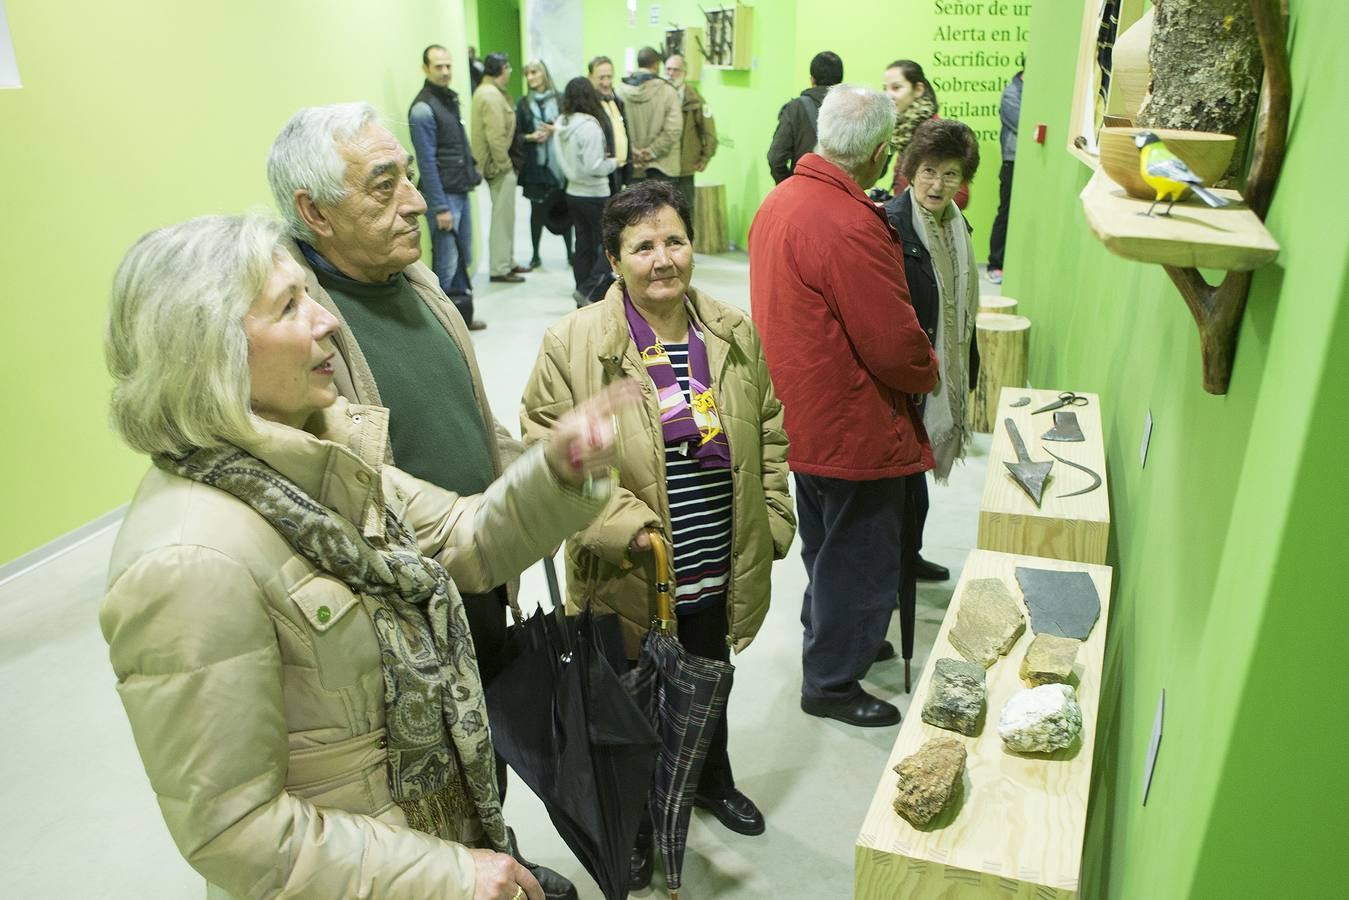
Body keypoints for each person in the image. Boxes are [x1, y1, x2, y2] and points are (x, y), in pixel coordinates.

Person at [101, 213, 637, 899]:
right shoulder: (184, 564)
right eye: (289, 307)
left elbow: (466, 542)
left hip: (424, 841)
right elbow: (235, 832)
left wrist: (557, 472)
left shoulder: (326, 458)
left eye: (309, 294)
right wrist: (447, 876)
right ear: (208, 351)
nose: (325, 320)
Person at [267, 102, 576, 898]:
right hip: (400, 612)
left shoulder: (421, 284)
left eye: (408, 173)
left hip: (478, 575)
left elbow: (477, 430)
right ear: (315, 213)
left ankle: (492, 851)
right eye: (384, 186)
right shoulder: (299, 337)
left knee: (483, 751)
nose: (416, 200)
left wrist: (549, 480)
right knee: (415, 783)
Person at [521, 181, 796, 890]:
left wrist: (773, 515)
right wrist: (625, 530)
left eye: (674, 240)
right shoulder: (575, 343)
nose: (662, 260)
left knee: (708, 680)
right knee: (629, 710)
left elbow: (767, 427)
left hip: (715, 562)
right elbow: (543, 447)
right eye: (642, 247)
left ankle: (711, 780)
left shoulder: (728, 333)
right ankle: (635, 827)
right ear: (614, 259)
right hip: (631, 574)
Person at [749, 85, 938, 729]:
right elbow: (891, 344)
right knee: (860, 555)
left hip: (800, 409)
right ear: (882, 153)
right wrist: (930, 369)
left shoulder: (782, 200)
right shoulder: (851, 223)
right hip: (853, 422)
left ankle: (833, 635)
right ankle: (831, 681)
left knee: (829, 543)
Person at [882, 118, 983, 675]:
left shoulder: (958, 226)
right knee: (901, 493)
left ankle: (910, 556)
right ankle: (894, 579)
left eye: (949, 174)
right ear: (909, 172)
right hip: (911, 380)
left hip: (941, 375)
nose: (937, 185)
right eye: (927, 172)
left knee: (916, 491)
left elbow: (963, 311)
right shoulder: (893, 225)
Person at [409, 44, 485, 330]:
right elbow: (426, 163)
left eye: (448, 66)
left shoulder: (447, 100)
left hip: (459, 190)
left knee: (461, 255)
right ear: (425, 69)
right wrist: (439, 206)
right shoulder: (423, 109)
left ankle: (460, 318)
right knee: (446, 263)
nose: (444, 71)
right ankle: (443, 326)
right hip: (443, 197)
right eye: (438, 66)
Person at [552, 77, 616, 307]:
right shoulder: (589, 127)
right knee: (612, 245)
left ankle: (582, 294)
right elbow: (594, 166)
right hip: (595, 193)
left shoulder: (562, 123)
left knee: (583, 246)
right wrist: (614, 163)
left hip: (573, 192)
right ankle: (589, 290)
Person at [472, 52, 529, 283]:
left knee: (506, 217)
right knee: (501, 218)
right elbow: (495, 136)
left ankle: (507, 261)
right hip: (499, 168)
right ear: (502, 69)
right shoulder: (491, 96)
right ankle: (499, 267)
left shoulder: (489, 92)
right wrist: (505, 166)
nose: (510, 73)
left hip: (500, 166)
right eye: (509, 68)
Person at [882, 59, 968, 208]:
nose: (888, 95)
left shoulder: (937, 133)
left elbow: (960, 196)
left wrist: (908, 209)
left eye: (896, 88)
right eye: (885, 88)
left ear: (918, 90)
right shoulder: (903, 131)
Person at [516, 60, 574, 271]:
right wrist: (531, 136)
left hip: (560, 167)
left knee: (564, 209)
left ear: (544, 73)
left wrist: (555, 130)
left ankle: (570, 253)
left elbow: (570, 128)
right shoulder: (522, 104)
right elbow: (517, 136)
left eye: (534, 72)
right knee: (536, 212)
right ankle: (535, 255)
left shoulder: (560, 100)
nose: (530, 77)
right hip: (535, 168)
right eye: (527, 74)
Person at [766, 50, 843, 184]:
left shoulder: (794, 109)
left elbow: (775, 158)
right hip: (841, 195)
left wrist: (789, 184)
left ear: (812, 79)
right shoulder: (852, 109)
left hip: (802, 190)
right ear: (840, 81)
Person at [619, 47, 682, 183]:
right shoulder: (668, 91)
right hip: (662, 168)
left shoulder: (621, 92)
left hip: (633, 168)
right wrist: (651, 151)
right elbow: (673, 129)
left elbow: (616, 129)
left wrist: (633, 151)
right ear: (656, 64)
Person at [664, 54, 718, 213]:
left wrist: (705, 157)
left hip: (685, 167)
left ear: (685, 73)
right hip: (662, 166)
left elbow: (709, 131)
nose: (671, 73)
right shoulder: (657, 94)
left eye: (675, 69)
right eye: (668, 69)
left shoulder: (695, 99)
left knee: (685, 211)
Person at [987, 70, 1023, 284]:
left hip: (1030, 162)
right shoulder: (1012, 93)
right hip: (1013, 161)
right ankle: (995, 264)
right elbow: (1023, 122)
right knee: (1006, 212)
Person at [588, 55, 632, 194]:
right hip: (601, 177)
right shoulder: (589, 106)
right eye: (601, 78)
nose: (606, 82)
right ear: (590, 77)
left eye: (609, 77)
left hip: (619, 172)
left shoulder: (617, 102)